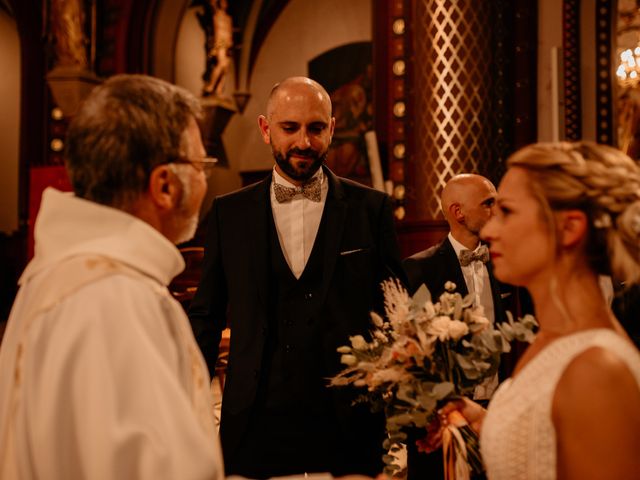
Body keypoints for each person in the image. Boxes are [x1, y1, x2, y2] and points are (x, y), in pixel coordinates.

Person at [0, 74, 223, 479]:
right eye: (201, 164)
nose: (206, 178)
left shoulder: (51, 276)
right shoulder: (120, 300)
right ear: (165, 185)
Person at [188, 76, 406, 479]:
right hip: (254, 416)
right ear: (266, 129)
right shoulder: (228, 214)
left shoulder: (370, 209)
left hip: (348, 418)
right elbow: (207, 314)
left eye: (316, 128)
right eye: (290, 128)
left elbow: (398, 312)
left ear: (332, 128)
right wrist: (187, 400)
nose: (304, 142)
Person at [450, 141, 640, 479]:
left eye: (506, 211)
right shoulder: (555, 337)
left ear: (569, 228)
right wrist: (483, 421)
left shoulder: (598, 371)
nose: (490, 230)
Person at [402, 174, 513, 480]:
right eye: (488, 203)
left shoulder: (510, 266)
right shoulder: (416, 270)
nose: (496, 210)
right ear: (458, 212)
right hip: (442, 420)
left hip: (500, 413)